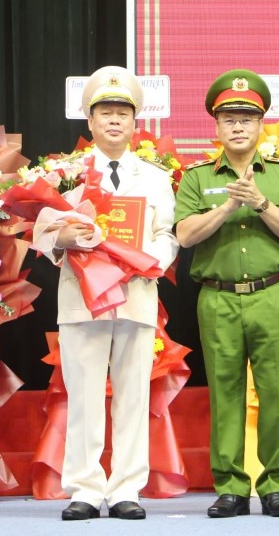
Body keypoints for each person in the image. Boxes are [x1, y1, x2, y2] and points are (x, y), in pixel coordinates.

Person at [35, 66, 179, 521]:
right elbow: (41, 231)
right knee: (83, 395)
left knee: (134, 394)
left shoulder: (155, 177)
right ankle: (85, 488)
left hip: (136, 293)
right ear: (90, 121)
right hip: (82, 298)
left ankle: (126, 489)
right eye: (105, 113)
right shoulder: (66, 172)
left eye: (122, 113)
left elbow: (167, 233)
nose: (114, 121)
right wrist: (65, 241)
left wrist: (148, 258)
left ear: (135, 123)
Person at [173, 69, 279, 518]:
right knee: (224, 392)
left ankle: (275, 486)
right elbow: (186, 236)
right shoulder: (197, 178)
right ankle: (231, 486)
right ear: (216, 126)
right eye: (228, 118)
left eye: (246, 119)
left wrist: (261, 203)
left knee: (275, 393)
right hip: (218, 298)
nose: (237, 126)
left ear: (260, 125)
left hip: (272, 295)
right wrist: (228, 205)